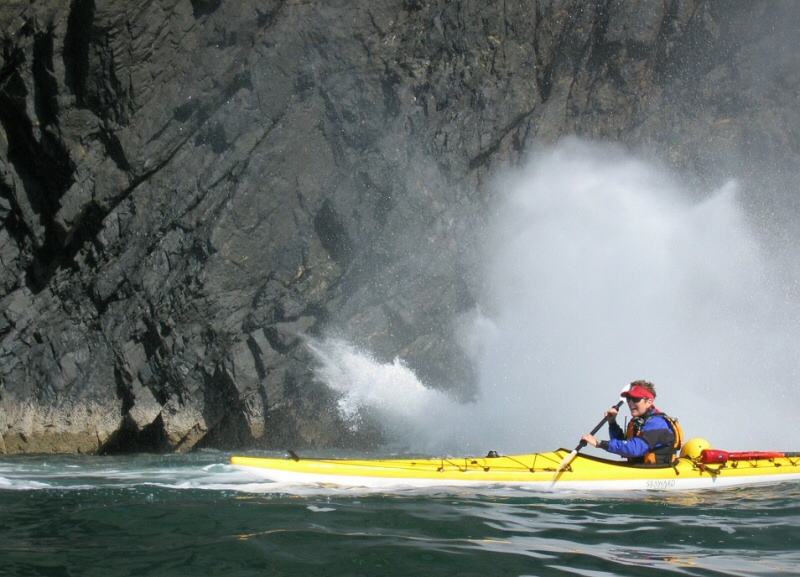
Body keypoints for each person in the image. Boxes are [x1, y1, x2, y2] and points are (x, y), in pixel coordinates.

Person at [581, 380, 680, 464]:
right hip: (640, 469)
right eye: (629, 399)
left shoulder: (658, 423)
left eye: (636, 399)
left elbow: (635, 449)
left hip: (657, 474)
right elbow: (623, 445)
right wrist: (612, 423)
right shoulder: (638, 422)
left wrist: (600, 443)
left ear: (649, 402)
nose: (631, 402)